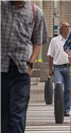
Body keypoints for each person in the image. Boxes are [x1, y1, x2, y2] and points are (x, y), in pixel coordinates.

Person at [0, 0, 48, 133]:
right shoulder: (2, 6)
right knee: (2, 113)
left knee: (18, 113)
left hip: (21, 69)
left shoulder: (36, 12)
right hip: (1, 68)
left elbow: (37, 42)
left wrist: (31, 64)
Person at [47, 21, 71, 116]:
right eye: (65, 27)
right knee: (58, 87)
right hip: (58, 68)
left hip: (69, 67)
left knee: (68, 89)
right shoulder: (54, 40)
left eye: (68, 26)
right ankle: (57, 108)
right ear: (60, 29)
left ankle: (66, 109)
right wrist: (50, 69)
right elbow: (50, 55)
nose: (67, 28)